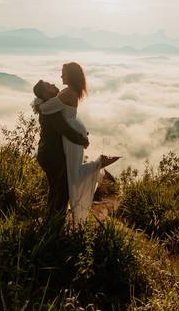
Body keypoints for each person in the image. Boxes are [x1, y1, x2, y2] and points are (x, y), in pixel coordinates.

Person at [33, 62, 119, 222]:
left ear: (71, 75)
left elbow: (46, 109)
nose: (60, 76)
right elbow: (57, 120)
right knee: (67, 180)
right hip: (67, 141)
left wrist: (38, 102)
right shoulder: (67, 92)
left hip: (69, 140)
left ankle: (53, 222)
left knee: (68, 177)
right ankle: (99, 165)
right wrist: (81, 137)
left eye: (63, 73)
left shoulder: (67, 94)